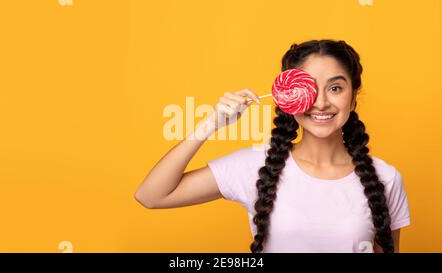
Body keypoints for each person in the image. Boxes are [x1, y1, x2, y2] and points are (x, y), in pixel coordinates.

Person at [134, 39, 411, 253]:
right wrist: (210, 125)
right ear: (289, 100)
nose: (322, 102)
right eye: (309, 89)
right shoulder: (254, 166)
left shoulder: (385, 178)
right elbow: (151, 195)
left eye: (335, 88)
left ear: (352, 99)